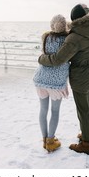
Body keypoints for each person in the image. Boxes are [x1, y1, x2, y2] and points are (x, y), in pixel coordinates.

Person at [38, 4, 89, 155]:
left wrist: (42, 58)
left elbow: (58, 59)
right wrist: (85, 7)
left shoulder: (74, 38)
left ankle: (86, 144)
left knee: (83, 110)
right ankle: (88, 135)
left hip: (80, 77)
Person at [33, 14, 70, 153]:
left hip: (41, 79)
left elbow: (44, 53)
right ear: (64, 25)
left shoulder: (46, 37)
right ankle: (51, 141)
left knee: (43, 110)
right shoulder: (68, 39)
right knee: (55, 111)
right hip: (56, 82)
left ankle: (44, 140)